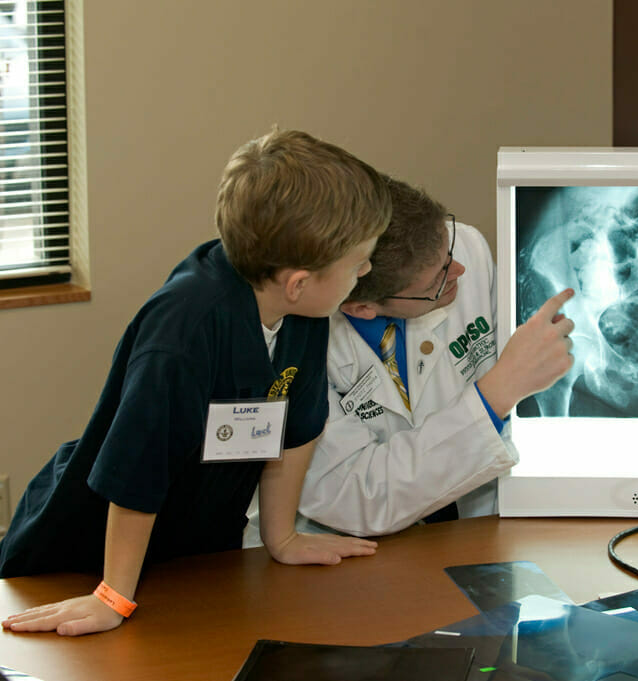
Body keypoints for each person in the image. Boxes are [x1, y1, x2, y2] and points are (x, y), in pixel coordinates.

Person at [0, 128, 390, 636]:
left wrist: (283, 538)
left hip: (195, 552)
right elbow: (136, 469)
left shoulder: (306, 314)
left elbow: (296, 430)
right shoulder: (184, 332)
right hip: (88, 555)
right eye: (358, 263)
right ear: (298, 281)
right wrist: (114, 594)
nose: (366, 270)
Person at [260, 176, 574, 539]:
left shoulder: (464, 249)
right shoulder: (298, 348)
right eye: (435, 284)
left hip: (478, 528)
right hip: (355, 552)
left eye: (449, 250)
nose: (458, 272)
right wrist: (497, 395)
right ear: (361, 307)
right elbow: (355, 495)